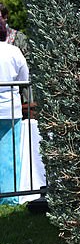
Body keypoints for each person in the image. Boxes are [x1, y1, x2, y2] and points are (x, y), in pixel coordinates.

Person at [0, 17, 29, 205]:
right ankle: (10, 196)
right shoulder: (13, 51)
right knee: (10, 154)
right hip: (10, 108)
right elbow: (24, 78)